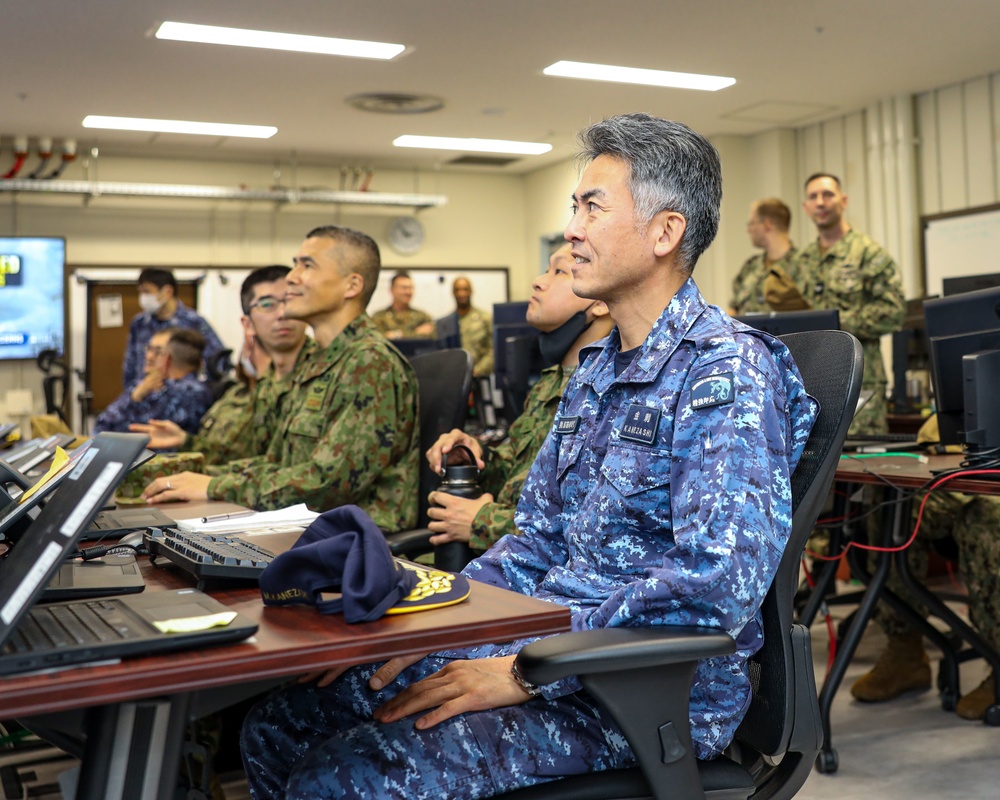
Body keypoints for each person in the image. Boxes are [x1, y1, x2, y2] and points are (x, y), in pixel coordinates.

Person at [240, 113, 818, 800]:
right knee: (279, 723)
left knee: (339, 779)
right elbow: (533, 542)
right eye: (574, 207)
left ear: (665, 233)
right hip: (537, 653)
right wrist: (438, 623)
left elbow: (712, 586)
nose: (571, 229)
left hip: (635, 690)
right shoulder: (597, 369)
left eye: (592, 207)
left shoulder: (725, 372)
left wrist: (519, 670)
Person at [141, 226, 419, 531]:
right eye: (296, 264)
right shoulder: (317, 365)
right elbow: (276, 463)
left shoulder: (369, 362)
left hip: (356, 544)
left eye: (307, 266)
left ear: (351, 286)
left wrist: (216, 486)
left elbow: (328, 484)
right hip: (304, 529)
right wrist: (197, 476)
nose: (292, 277)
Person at [424, 244, 612, 556]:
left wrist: (484, 522)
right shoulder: (550, 382)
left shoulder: (610, 390)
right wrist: (474, 454)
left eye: (559, 271)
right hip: (506, 555)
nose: (539, 281)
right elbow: (516, 475)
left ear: (601, 303)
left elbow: (590, 524)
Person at [849, 414, 1000, 719]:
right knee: (895, 501)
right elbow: (937, 426)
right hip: (981, 470)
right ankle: (905, 649)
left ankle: (997, 661)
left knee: (984, 518)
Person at [129, 266, 313, 465]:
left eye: (290, 300)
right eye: (268, 304)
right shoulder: (248, 393)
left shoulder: (322, 374)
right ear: (248, 324)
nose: (283, 313)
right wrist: (187, 442)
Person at [785, 173, 905, 435]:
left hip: (860, 379)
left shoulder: (868, 253)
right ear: (805, 207)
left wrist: (834, 323)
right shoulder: (801, 262)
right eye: (813, 197)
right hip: (811, 379)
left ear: (844, 200)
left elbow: (894, 312)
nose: (820, 202)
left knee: (859, 464)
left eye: (827, 195)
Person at [93, 327, 212, 437]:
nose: (149, 356)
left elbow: (139, 435)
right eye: (148, 349)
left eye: (158, 351)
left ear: (168, 357)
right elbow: (102, 424)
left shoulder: (189, 392)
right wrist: (135, 397)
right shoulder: (145, 384)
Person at [122, 268, 226, 388]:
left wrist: (206, 391)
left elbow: (218, 359)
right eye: (141, 292)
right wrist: (131, 396)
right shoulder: (139, 323)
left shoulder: (194, 322)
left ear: (168, 292)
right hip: (146, 396)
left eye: (147, 291)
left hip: (182, 397)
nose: (143, 297)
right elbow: (130, 365)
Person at [729, 197, 800, 314]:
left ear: (767, 224)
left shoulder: (804, 265)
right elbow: (734, 309)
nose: (749, 230)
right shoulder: (750, 267)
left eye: (751, 223)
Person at [438, 276, 494, 377]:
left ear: (471, 291)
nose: (461, 293)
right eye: (457, 290)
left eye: (465, 289)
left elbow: (493, 349)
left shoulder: (485, 318)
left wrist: (477, 371)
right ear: (453, 293)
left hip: (479, 378)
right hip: (454, 377)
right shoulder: (446, 323)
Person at [371, 271, 436, 339]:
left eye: (411, 288)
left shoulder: (422, 317)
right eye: (404, 288)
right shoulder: (380, 317)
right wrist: (415, 333)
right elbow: (375, 339)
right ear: (392, 290)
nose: (408, 292)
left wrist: (394, 335)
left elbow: (432, 337)